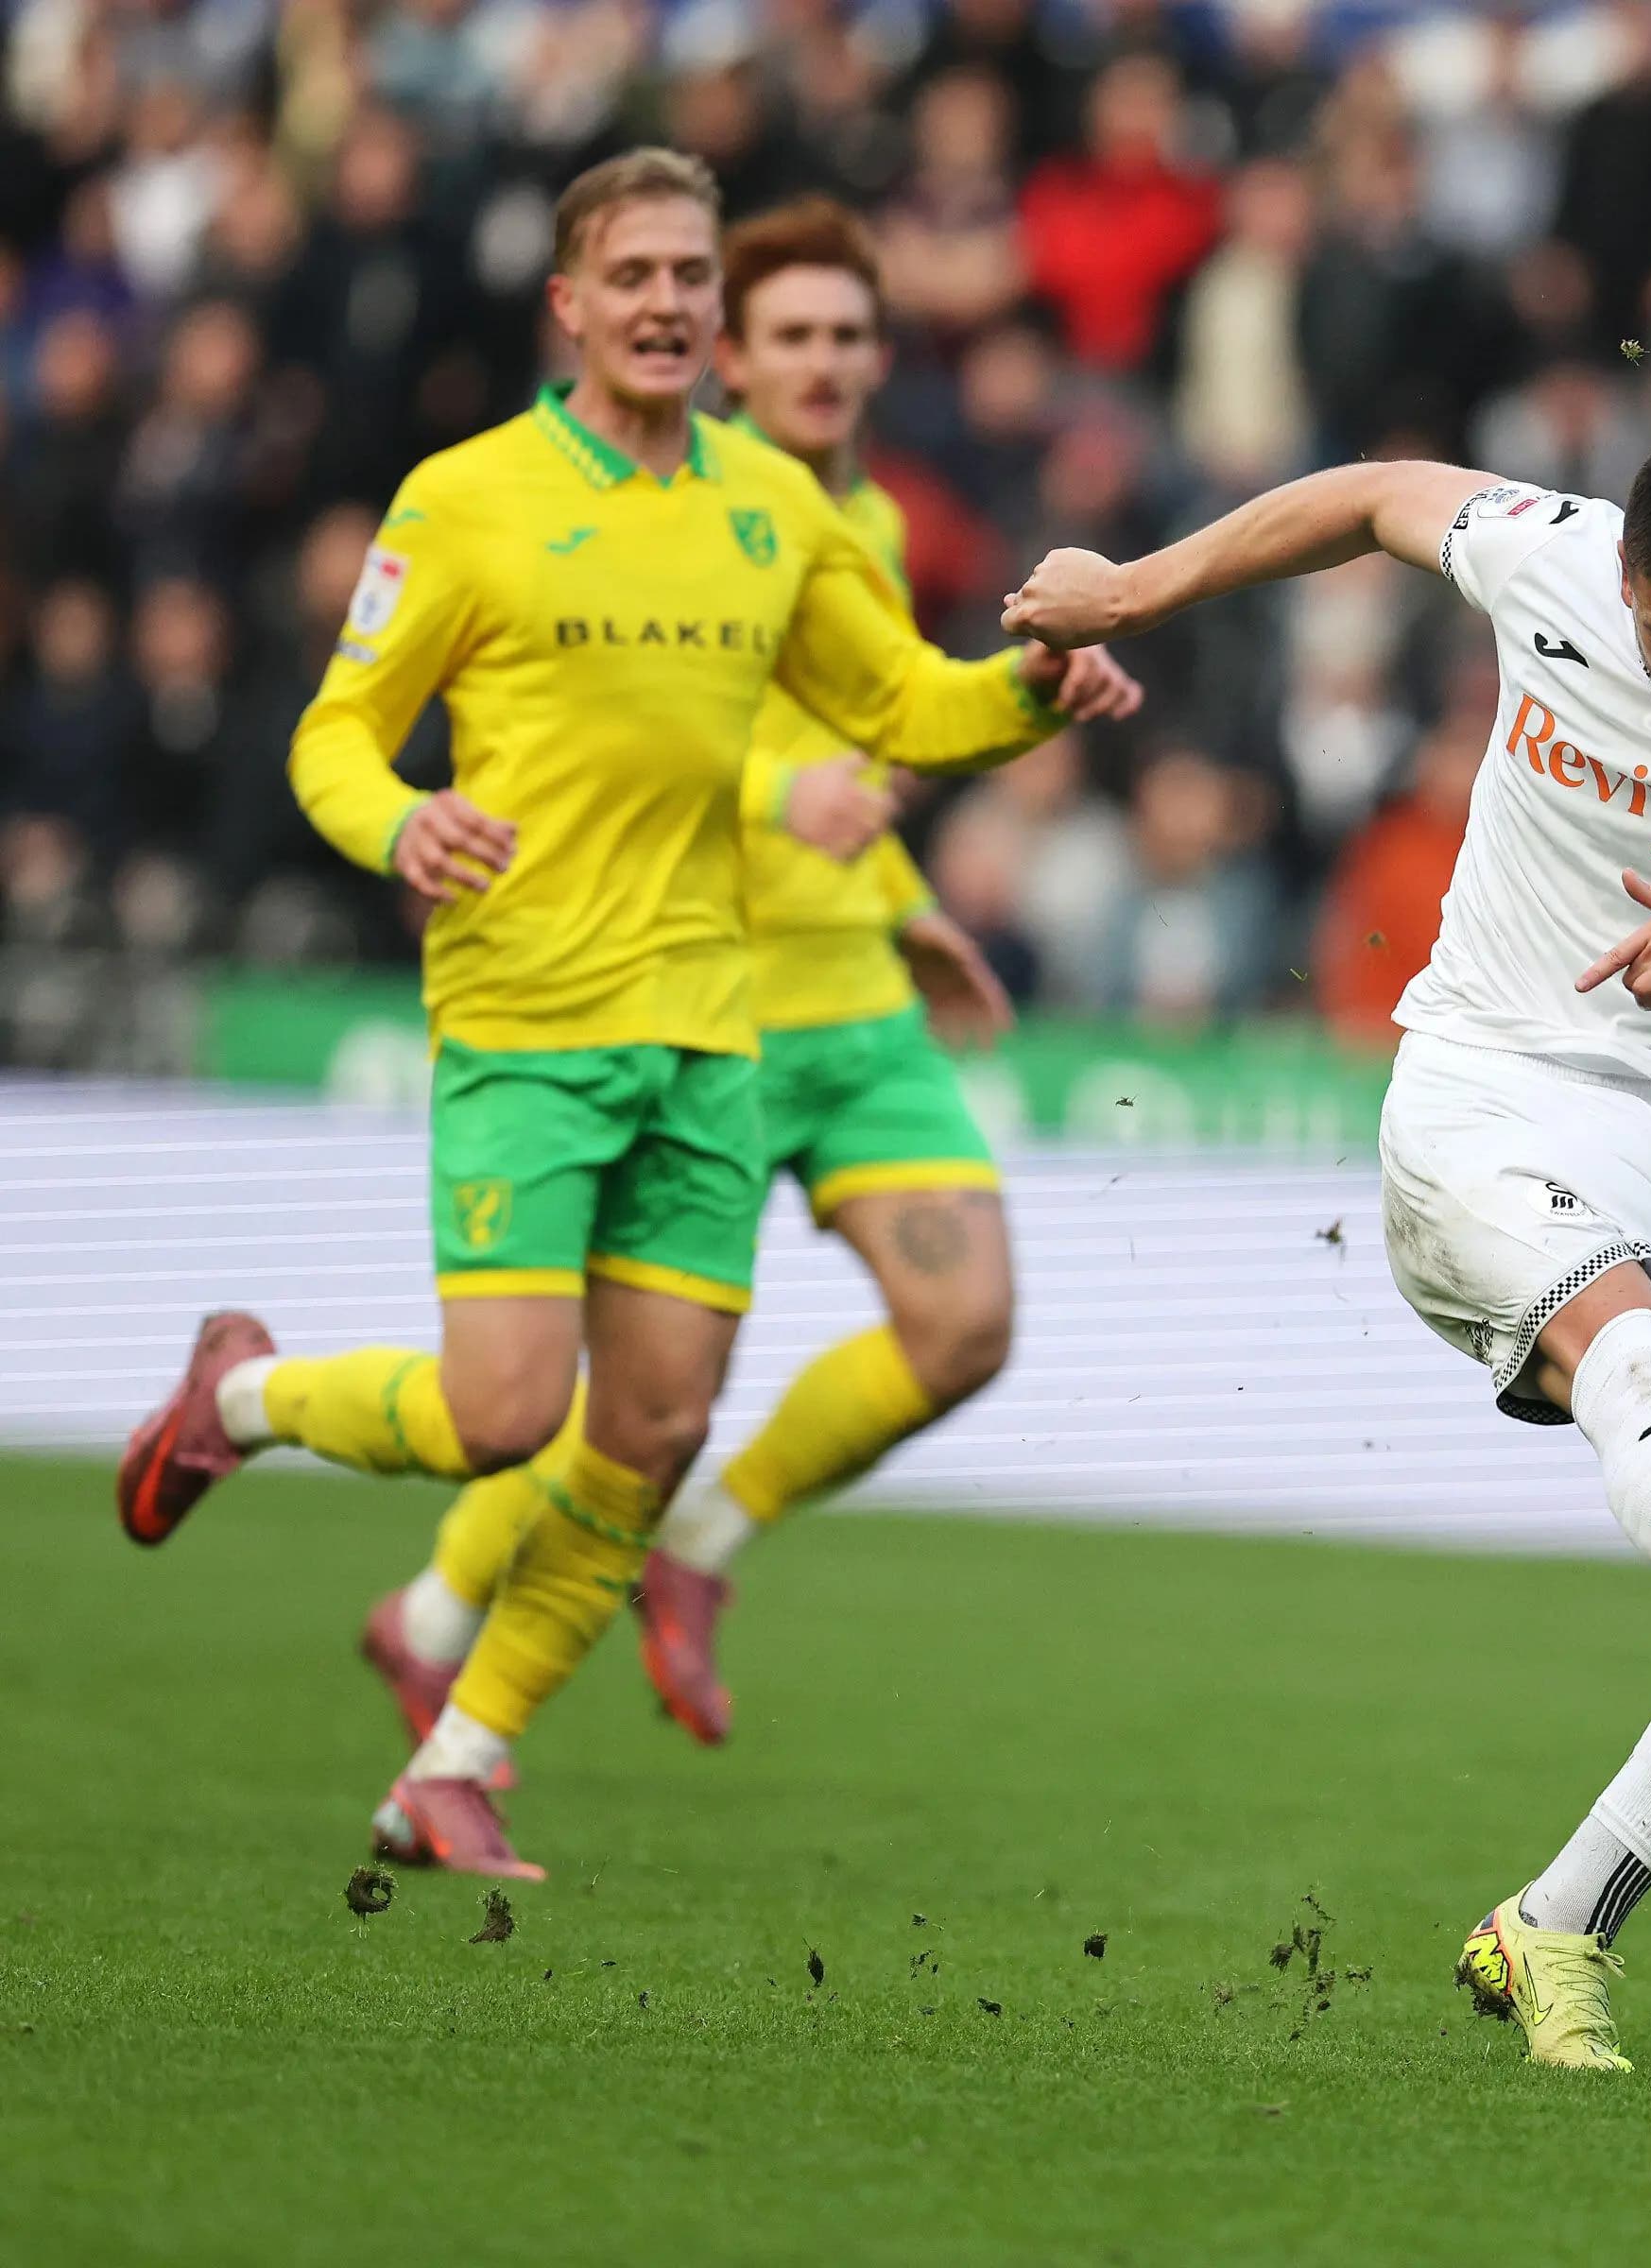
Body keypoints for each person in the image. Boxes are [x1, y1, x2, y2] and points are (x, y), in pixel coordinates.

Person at [112, 151, 1126, 1881]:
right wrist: (398, 822)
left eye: (689, 275)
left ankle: (461, 1756)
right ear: (569, 307)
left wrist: (1035, 692)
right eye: (634, 274)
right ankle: (248, 1395)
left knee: (646, 1435)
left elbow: (906, 705)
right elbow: (333, 736)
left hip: (708, 1040)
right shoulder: (466, 498)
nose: (667, 303)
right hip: (524, 1019)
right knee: (507, 1416)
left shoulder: (778, 511)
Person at [1003, 430, 1651, 2073]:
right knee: (1629, 1364)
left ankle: (1553, 1926)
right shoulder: (1548, 552)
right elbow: (1367, 493)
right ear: (1621, 581)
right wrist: (1131, 586)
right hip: (1498, 1093)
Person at [357, 197, 1140, 1763]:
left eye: (851, 335)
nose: (826, 362)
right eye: (791, 333)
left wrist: (911, 900)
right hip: (692, 997)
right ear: (727, 354)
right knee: (595, 1391)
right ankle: (439, 1627)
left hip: (849, 994)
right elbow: (658, 754)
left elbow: (885, 730)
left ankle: (698, 1550)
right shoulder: (682, 515)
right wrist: (794, 807)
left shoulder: (873, 528)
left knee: (963, 1325)